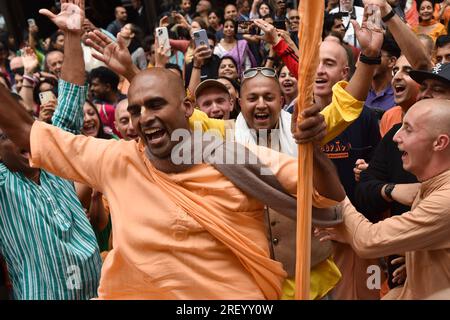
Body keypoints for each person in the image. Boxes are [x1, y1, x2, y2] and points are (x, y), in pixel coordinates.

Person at [0, 66, 347, 300]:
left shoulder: (237, 159)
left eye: (155, 105)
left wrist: (315, 152)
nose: (144, 119)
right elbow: (26, 131)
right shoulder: (116, 160)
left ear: (186, 106)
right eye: (135, 110)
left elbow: (329, 198)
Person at [0, 0, 102, 299]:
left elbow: (70, 98)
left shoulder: (55, 158)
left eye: (26, 131)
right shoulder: (4, 184)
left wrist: (72, 36)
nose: (22, 143)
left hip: (99, 290)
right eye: (8, 137)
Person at [317, 98, 450, 300]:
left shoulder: (445, 199)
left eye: (408, 129)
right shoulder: (430, 186)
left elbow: (369, 241)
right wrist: (418, 262)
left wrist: (338, 195)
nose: (396, 137)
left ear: (440, 143)